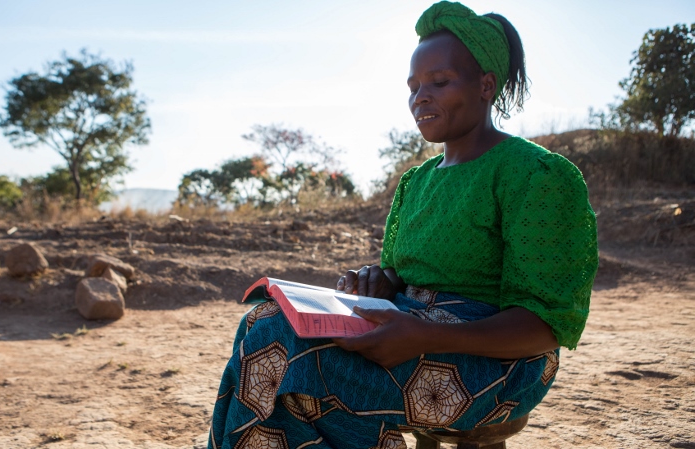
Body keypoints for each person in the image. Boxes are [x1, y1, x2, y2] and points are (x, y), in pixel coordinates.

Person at [207, 2, 598, 448]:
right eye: (413, 87)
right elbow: (401, 275)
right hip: (410, 329)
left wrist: (425, 335)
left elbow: (544, 326)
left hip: (495, 362)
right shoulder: (415, 182)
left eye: (439, 82)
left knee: (275, 346)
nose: (420, 97)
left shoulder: (536, 174)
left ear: (486, 85)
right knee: (261, 321)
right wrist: (379, 281)